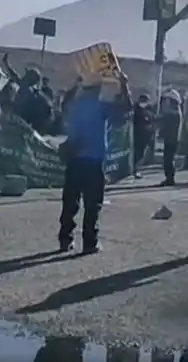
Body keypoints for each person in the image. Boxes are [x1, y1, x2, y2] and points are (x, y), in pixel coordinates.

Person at [58, 71, 131, 254]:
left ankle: (65, 239)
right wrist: (124, 86)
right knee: (92, 204)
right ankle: (90, 242)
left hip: (74, 158)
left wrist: (75, 85)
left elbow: (64, 103)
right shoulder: (102, 106)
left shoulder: (75, 104)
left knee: (70, 201)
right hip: (93, 160)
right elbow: (124, 112)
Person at [157, 89, 183, 186]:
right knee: (168, 159)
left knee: (168, 160)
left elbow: (162, 118)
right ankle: (169, 178)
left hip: (171, 139)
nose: (165, 102)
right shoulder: (174, 112)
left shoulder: (174, 113)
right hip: (171, 138)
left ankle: (170, 179)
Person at [131, 93, 155, 179]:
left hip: (145, 137)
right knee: (136, 154)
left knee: (140, 154)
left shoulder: (148, 110)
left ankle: (135, 169)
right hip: (137, 136)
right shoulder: (135, 110)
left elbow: (151, 119)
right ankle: (133, 170)